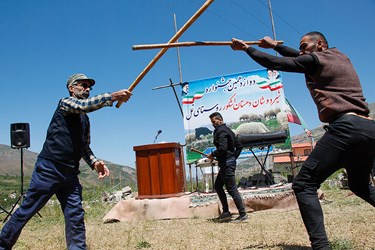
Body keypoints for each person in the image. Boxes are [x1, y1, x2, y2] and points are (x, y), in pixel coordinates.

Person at [231, 32, 375, 249]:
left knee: (304, 183)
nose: (302, 50)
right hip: (368, 128)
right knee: (360, 184)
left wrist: (247, 49)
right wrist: (274, 46)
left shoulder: (317, 59)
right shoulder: (340, 57)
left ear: (319, 44)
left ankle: (320, 246)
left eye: (304, 45)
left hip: (347, 128)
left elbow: (277, 63)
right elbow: (297, 56)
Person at [0, 73, 132, 250]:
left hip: (70, 173)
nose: (87, 89)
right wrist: (112, 96)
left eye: (89, 87)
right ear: (72, 88)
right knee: (26, 211)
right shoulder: (65, 103)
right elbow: (85, 105)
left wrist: (95, 162)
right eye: (83, 85)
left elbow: (84, 146)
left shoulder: (85, 119)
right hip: (49, 169)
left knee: (75, 215)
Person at [207, 112, 247, 222]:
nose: (213, 124)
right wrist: (233, 158)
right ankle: (226, 212)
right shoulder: (228, 130)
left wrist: (213, 154)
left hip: (227, 164)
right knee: (218, 186)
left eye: (214, 122)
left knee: (232, 189)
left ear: (220, 120)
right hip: (227, 163)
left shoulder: (221, 131)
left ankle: (243, 214)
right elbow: (239, 146)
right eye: (212, 123)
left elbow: (223, 148)